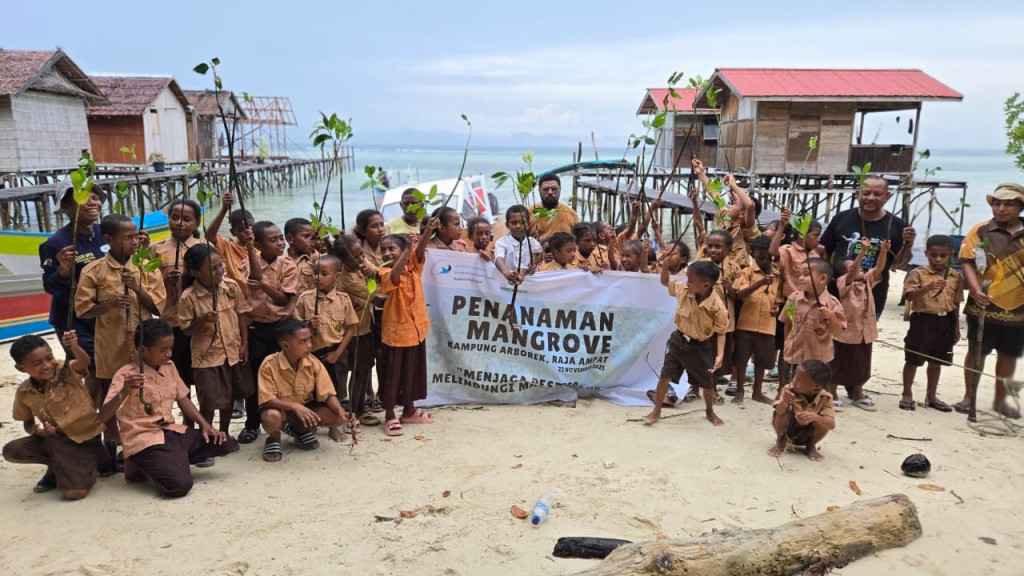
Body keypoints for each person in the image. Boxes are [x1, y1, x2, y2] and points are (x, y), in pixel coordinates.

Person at [106, 319, 236, 496]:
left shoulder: (169, 366)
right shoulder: (125, 375)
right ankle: (144, 462)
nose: (169, 354)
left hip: (170, 432)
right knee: (179, 486)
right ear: (143, 350)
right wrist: (123, 392)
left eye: (170, 348)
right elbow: (104, 414)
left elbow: (183, 399)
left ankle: (171, 458)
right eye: (163, 350)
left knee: (226, 443)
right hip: (144, 439)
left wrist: (205, 425)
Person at [75, 214, 166, 429]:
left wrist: (137, 288)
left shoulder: (147, 268)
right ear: (109, 239)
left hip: (142, 343)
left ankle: (146, 429)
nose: (135, 242)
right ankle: (112, 435)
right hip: (111, 344)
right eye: (128, 238)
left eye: (136, 236)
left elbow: (158, 308)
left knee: (146, 387)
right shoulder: (94, 271)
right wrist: (109, 304)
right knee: (111, 390)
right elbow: (83, 310)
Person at [3, 331, 110, 499]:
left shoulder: (65, 370)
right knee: (12, 450)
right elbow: (27, 423)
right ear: (21, 368)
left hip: (84, 438)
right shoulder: (24, 392)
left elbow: (84, 362)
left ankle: (89, 459)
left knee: (75, 493)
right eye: (37, 363)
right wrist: (38, 431)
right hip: (55, 440)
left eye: (49, 357)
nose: (47, 365)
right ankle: (56, 465)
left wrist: (74, 346)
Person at [956, 183, 1024, 418]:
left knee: (1008, 354)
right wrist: (975, 291)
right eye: (997, 203)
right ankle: (969, 396)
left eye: (1008, 204)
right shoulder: (981, 230)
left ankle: (1000, 400)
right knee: (977, 351)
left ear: (1020, 207)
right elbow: (967, 261)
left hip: (1018, 307)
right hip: (983, 303)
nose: (1001, 208)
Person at [177, 244, 252, 451]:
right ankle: (207, 439)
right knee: (209, 401)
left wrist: (244, 344)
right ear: (196, 273)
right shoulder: (189, 297)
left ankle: (224, 434)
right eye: (213, 268)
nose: (220, 271)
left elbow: (241, 314)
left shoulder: (231, 287)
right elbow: (187, 330)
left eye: (221, 265)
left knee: (229, 397)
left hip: (232, 352)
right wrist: (203, 320)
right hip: (207, 357)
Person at [644, 260, 729, 427]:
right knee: (665, 377)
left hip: (700, 346)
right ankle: (657, 410)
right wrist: (666, 265)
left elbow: (721, 332)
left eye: (690, 280)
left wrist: (720, 355)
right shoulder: (684, 289)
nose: (687, 282)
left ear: (705, 285)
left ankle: (709, 411)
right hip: (679, 341)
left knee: (707, 383)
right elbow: (664, 281)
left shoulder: (717, 308)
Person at [258, 318, 353, 461]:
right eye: (303, 341)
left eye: (309, 339)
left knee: (338, 417)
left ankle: (300, 431)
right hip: (280, 411)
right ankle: (274, 437)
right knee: (271, 417)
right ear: (285, 345)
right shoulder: (269, 365)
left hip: (303, 411)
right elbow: (267, 400)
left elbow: (328, 394)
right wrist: (294, 406)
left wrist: (341, 411)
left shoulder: (313, 363)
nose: (309, 345)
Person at [820, 176, 916, 315]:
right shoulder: (841, 218)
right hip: (837, 293)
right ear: (857, 194)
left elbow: (899, 263)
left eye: (877, 194)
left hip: (873, 295)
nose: (870, 198)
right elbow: (824, 253)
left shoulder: (896, 225)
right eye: (866, 193)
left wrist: (908, 244)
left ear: (887, 196)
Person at [239, 221, 299, 444]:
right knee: (255, 377)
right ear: (258, 245)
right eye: (273, 240)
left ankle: (286, 421)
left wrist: (263, 286)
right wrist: (248, 246)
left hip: (281, 327)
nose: (280, 243)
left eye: (280, 238)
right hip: (256, 328)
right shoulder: (247, 264)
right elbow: (253, 278)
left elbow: (283, 300)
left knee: (284, 375)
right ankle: (252, 424)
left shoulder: (288, 266)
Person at [379, 220, 439, 437]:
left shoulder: (413, 264)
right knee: (392, 375)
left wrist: (429, 231)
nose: (387, 253)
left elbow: (419, 250)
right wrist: (405, 251)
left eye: (391, 248)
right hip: (397, 333)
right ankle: (389, 415)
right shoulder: (384, 271)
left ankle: (409, 410)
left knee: (413, 371)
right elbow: (393, 277)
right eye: (383, 250)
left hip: (417, 329)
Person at [292, 255, 359, 442]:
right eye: (315, 273)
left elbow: (351, 327)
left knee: (335, 390)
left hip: (336, 353)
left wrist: (337, 353)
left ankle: (333, 426)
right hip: (312, 354)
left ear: (336, 277)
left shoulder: (343, 299)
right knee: (311, 391)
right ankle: (311, 424)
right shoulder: (305, 298)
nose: (317, 277)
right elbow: (295, 327)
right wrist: (308, 325)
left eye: (323, 274)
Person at [149, 198, 204, 423]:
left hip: (199, 321)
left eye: (186, 219)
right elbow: (148, 284)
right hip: (171, 320)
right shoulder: (156, 249)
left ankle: (202, 421)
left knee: (201, 373)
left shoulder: (204, 248)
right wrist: (165, 279)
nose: (180, 223)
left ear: (196, 222)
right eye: (175, 217)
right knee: (177, 373)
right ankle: (184, 420)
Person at [901, 235, 962, 412]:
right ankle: (907, 393)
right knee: (913, 358)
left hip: (946, 320)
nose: (938, 259)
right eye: (934, 255)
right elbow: (910, 297)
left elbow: (956, 302)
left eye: (943, 255)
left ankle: (931, 395)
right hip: (923, 320)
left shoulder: (955, 276)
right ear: (926, 253)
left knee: (937, 359)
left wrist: (956, 327)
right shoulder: (918, 273)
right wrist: (927, 287)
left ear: (951, 255)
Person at [780, 258, 846, 408]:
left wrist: (831, 317)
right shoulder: (793, 299)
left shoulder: (832, 303)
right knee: (790, 393)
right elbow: (788, 323)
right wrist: (787, 345)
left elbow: (838, 332)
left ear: (822, 278)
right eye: (799, 274)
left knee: (818, 397)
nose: (800, 278)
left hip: (819, 360)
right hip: (794, 356)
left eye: (806, 274)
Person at [831, 237, 889, 411]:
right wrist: (862, 252)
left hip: (864, 332)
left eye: (860, 267)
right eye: (853, 267)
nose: (859, 269)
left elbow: (879, 268)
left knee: (861, 364)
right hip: (845, 333)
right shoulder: (844, 283)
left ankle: (857, 393)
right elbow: (851, 273)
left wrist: (883, 251)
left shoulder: (866, 282)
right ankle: (832, 393)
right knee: (838, 362)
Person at [769, 209, 823, 386]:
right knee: (787, 345)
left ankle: (799, 383)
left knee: (805, 344)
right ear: (802, 235)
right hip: (791, 304)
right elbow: (773, 252)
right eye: (816, 235)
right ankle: (783, 385)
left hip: (811, 305)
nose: (818, 239)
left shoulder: (815, 254)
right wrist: (782, 226)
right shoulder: (788, 251)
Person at [333, 234, 381, 427]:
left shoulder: (361, 264)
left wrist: (371, 269)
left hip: (366, 326)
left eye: (362, 253)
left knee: (365, 369)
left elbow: (376, 272)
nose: (362, 258)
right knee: (359, 370)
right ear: (343, 260)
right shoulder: (347, 279)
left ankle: (359, 407)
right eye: (356, 257)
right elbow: (376, 297)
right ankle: (354, 410)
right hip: (355, 332)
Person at [732, 235, 780, 404]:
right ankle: (739, 390)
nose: (765, 261)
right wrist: (760, 283)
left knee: (762, 360)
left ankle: (757, 392)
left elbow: (778, 298)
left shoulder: (777, 275)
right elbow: (740, 294)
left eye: (768, 258)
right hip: (746, 323)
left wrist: (777, 308)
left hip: (767, 325)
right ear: (752, 254)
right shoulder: (747, 272)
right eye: (761, 258)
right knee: (741, 359)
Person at [693, 159, 761, 268]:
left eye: (735, 205)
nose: (730, 206)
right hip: (716, 270)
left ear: (742, 214)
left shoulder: (746, 229)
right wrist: (701, 173)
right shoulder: (726, 218)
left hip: (737, 274)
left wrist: (733, 185)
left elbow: (750, 206)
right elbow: (715, 195)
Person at [767, 360, 836, 462]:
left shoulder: (826, 397)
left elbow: (831, 425)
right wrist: (784, 401)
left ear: (817, 389)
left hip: (808, 433)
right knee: (781, 411)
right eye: (795, 376)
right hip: (788, 430)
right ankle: (780, 442)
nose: (794, 381)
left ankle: (811, 445)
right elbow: (779, 412)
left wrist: (816, 417)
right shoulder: (789, 389)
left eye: (799, 380)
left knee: (823, 421)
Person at [204, 191, 260, 299]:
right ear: (233, 232)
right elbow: (209, 235)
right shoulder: (228, 246)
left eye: (251, 226)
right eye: (241, 229)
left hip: (259, 298)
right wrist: (224, 209)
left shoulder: (262, 245)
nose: (247, 231)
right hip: (237, 297)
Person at [494, 205, 542, 284]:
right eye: (513, 223)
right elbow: (499, 259)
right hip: (507, 283)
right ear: (507, 225)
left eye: (522, 222)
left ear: (528, 224)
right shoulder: (501, 242)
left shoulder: (533, 243)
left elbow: (533, 263)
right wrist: (506, 272)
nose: (518, 226)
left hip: (529, 285)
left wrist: (530, 269)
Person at [531, 174, 580, 243]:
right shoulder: (530, 213)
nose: (550, 192)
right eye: (546, 189)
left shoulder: (570, 214)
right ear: (539, 190)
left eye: (554, 189)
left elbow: (577, 240)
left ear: (560, 189)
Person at [285, 217, 318, 293]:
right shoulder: (280, 261)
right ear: (290, 239)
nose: (311, 241)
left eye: (313, 237)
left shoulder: (316, 259)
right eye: (306, 236)